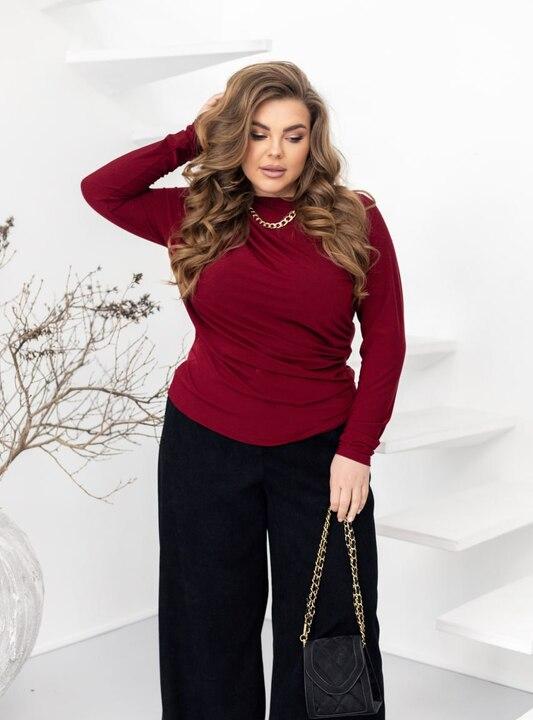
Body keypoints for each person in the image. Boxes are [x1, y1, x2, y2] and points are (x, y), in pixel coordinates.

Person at [80, 60, 406, 720]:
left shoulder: (354, 217)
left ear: (313, 140)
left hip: (320, 452)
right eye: (257, 133)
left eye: (292, 135)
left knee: (329, 628)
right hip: (205, 443)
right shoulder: (197, 213)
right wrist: (191, 136)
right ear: (234, 135)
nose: (274, 152)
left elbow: (386, 342)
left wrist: (356, 451)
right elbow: (102, 190)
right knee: (206, 622)